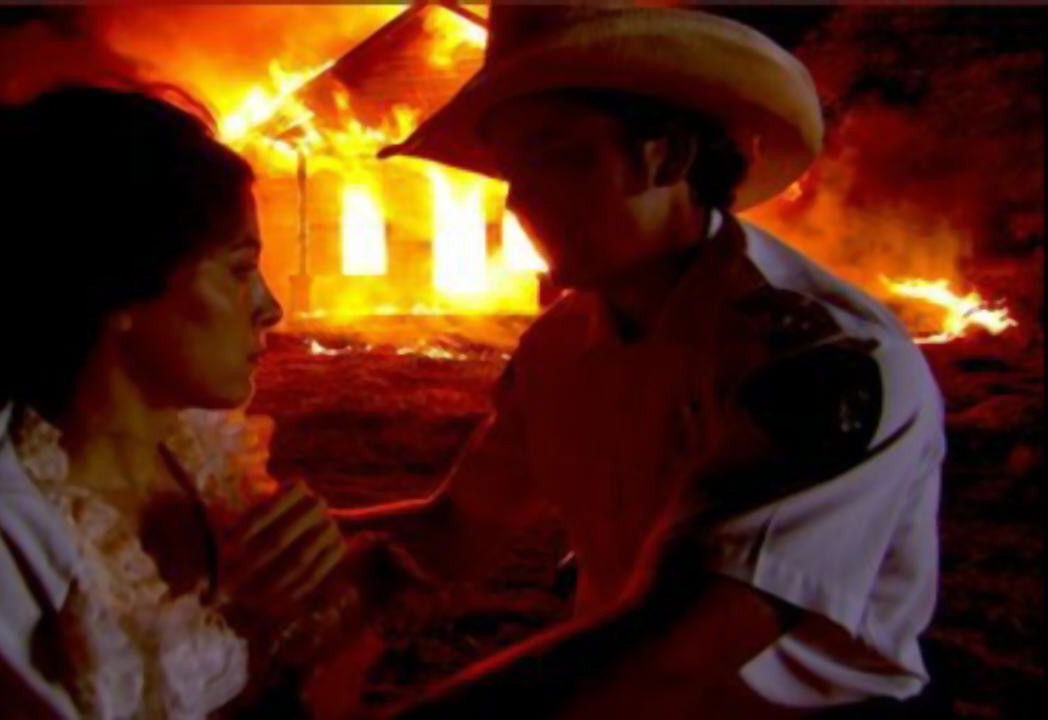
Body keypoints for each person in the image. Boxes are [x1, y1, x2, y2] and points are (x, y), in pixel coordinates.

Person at [335, 2, 945, 717]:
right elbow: (459, 529)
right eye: (510, 169)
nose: (519, 199)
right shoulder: (562, 343)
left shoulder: (821, 360)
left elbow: (679, 648)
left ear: (668, 156)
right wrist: (251, 535)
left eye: (552, 156)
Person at [0, 86, 349, 719]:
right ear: (123, 286)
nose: (271, 307)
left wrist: (367, 568)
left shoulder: (193, 448)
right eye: (239, 270)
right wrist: (236, 614)